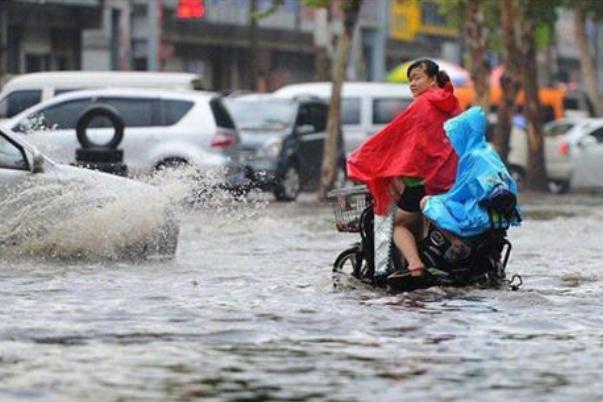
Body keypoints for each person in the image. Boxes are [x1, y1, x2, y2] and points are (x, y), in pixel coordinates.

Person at [347, 58, 462, 279]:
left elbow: (395, 135)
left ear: (432, 79)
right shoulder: (453, 104)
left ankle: (414, 264)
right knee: (417, 223)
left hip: (423, 182)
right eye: (410, 80)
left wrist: (364, 155)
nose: (412, 84)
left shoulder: (422, 105)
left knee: (397, 224)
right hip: (450, 180)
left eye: (418, 78)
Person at [421, 106, 521, 239]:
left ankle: (455, 242)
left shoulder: (472, 157)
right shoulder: (489, 151)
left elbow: (460, 192)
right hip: (502, 218)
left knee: (428, 202)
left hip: (479, 216)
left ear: (465, 133)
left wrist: (443, 197)